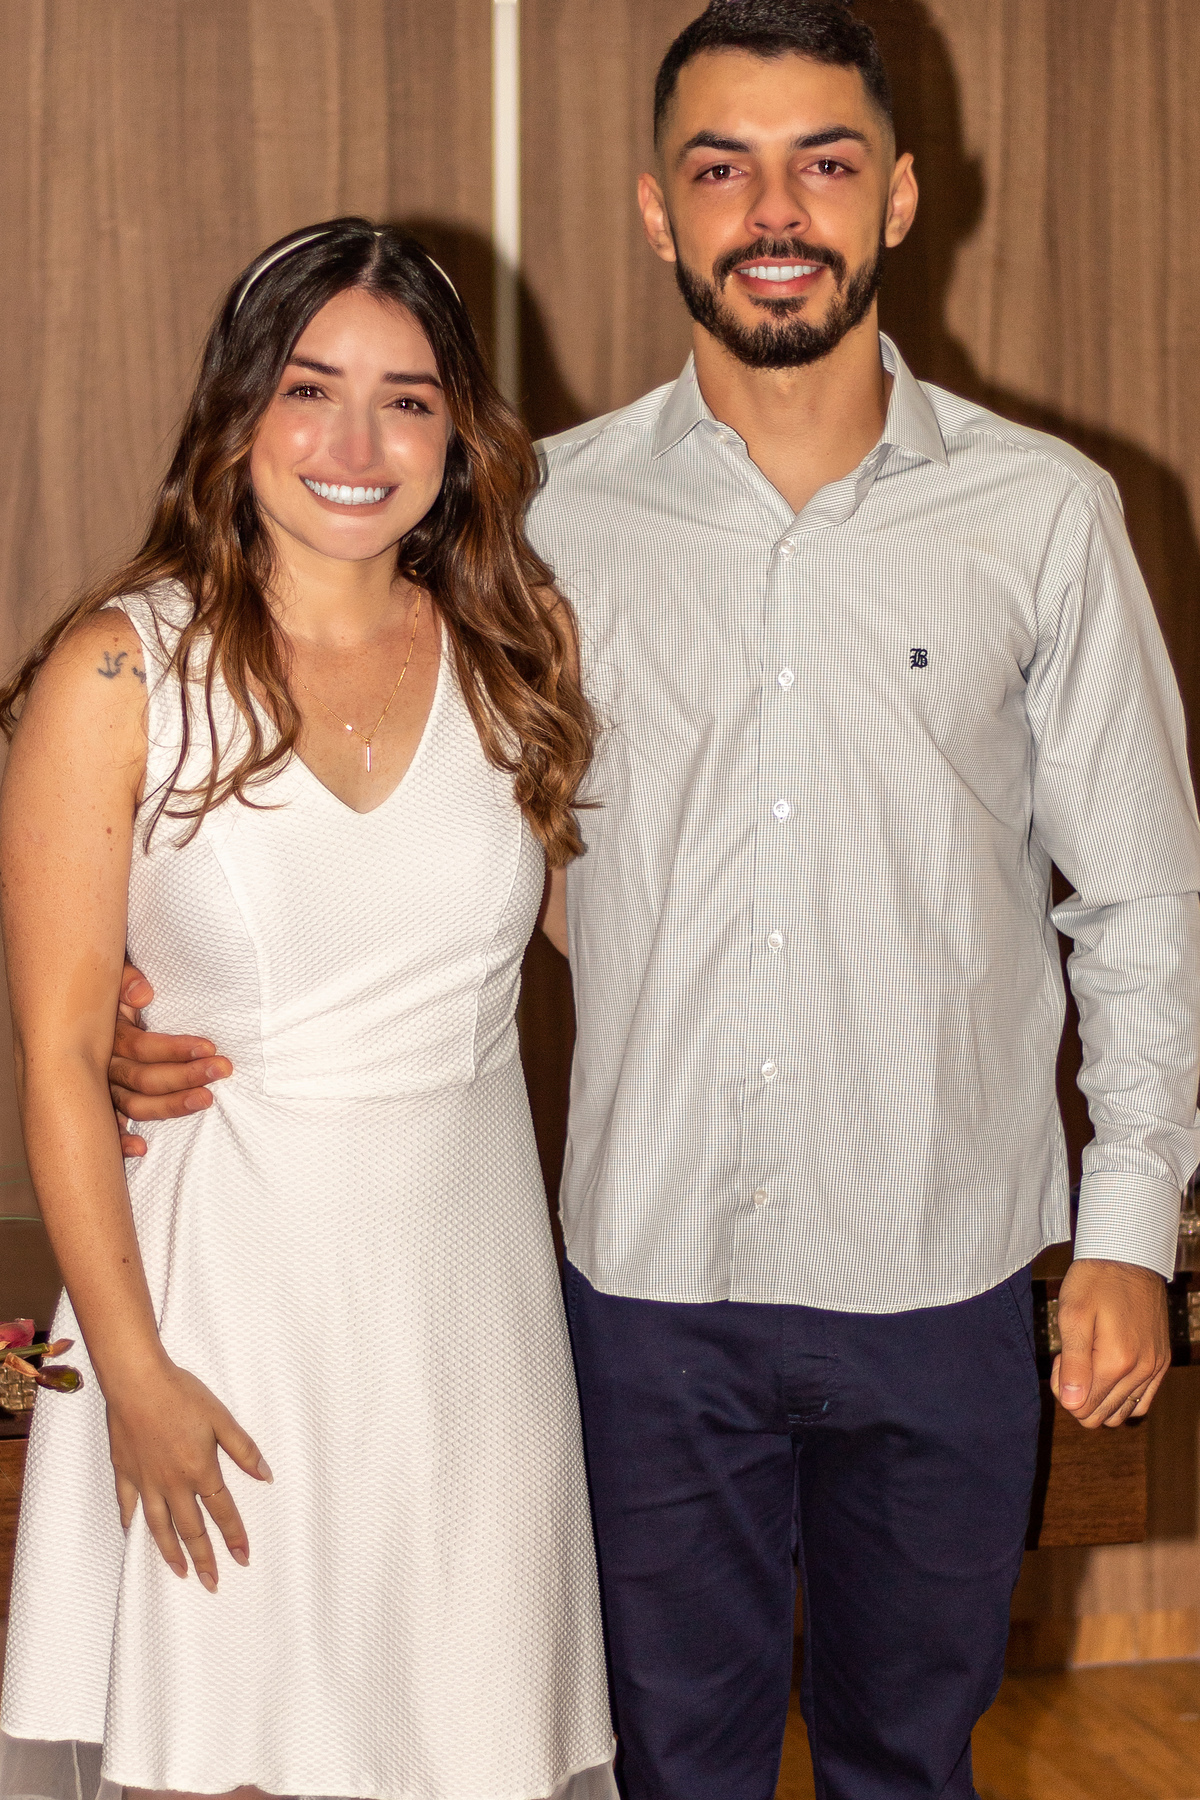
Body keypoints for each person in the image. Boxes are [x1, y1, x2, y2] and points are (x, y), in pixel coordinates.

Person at [108, 4, 1200, 1798]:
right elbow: (361, 777)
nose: (776, 211)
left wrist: (1131, 1228)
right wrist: (160, 992)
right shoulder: (534, 523)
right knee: (665, 1770)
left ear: (899, 198)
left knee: (911, 1764)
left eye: (824, 163)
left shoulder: (1046, 518)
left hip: (939, 1280)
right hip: (641, 1294)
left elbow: (1143, 901)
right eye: (722, 168)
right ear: (656, 210)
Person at [0, 218, 616, 1800]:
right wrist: (131, 1376)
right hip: (218, 1320)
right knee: (232, 1753)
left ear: (457, 433)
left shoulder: (518, 651)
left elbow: (618, 943)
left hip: (468, 1326)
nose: (356, 445)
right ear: (238, 410)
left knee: (466, 1742)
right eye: (309, 389)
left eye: (406, 400)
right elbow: (61, 1058)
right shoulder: (119, 673)